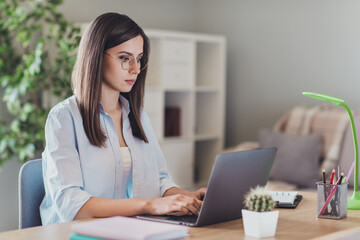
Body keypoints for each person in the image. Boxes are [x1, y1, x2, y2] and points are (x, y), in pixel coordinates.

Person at [40, 12, 206, 225]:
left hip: (127, 229)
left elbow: (161, 180)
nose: (136, 69)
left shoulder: (137, 114)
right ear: (96, 56)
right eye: (124, 58)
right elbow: (71, 205)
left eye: (139, 59)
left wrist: (189, 199)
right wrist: (149, 205)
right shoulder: (63, 118)